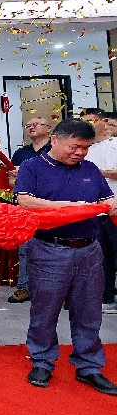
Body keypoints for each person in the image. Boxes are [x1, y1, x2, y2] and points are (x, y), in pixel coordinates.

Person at [15, 118, 117, 395]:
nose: (80, 153)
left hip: (89, 249)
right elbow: (25, 201)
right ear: (56, 140)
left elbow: (106, 200)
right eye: (74, 146)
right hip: (49, 248)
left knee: (89, 311)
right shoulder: (33, 166)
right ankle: (42, 361)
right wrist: (69, 207)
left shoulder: (90, 169)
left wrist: (111, 205)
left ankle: (89, 366)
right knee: (45, 309)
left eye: (85, 148)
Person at [7, 116, 53, 304]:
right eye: (28, 125)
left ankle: (54, 289)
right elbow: (11, 181)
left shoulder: (55, 149)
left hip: (51, 204)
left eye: (36, 124)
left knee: (54, 248)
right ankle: (24, 287)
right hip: (25, 206)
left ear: (49, 128)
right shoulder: (20, 153)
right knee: (25, 248)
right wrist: (16, 178)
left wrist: (28, 173)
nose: (32, 127)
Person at [85, 117, 117, 314]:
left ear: (103, 121)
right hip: (95, 212)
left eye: (92, 120)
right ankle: (107, 298)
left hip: (114, 209)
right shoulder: (86, 148)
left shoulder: (114, 145)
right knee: (102, 258)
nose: (88, 124)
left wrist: (96, 172)